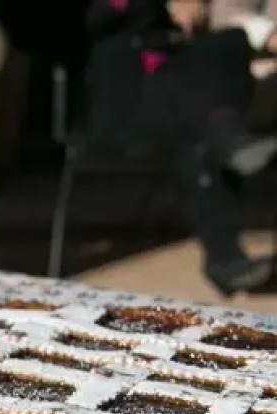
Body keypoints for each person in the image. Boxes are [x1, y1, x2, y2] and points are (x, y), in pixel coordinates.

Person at [85, 0, 277, 295]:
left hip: (179, 102)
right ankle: (224, 258)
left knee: (228, 45)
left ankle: (225, 259)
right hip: (122, 103)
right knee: (208, 131)